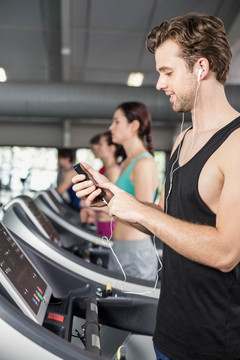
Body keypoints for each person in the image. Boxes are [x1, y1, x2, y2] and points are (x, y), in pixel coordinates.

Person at [72, 13, 240, 360]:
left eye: (167, 72)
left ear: (201, 68)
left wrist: (134, 209)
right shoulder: (182, 141)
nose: (160, 84)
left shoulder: (236, 145)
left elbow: (226, 252)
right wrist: (114, 201)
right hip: (168, 333)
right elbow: (165, 219)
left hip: (212, 346)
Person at [75, 101, 159, 281]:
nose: (111, 127)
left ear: (134, 126)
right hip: (120, 247)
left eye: (116, 122)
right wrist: (99, 203)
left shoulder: (144, 163)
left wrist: (102, 207)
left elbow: (146, 216)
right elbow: (123, 206)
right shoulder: (128, 162)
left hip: (136, 251)